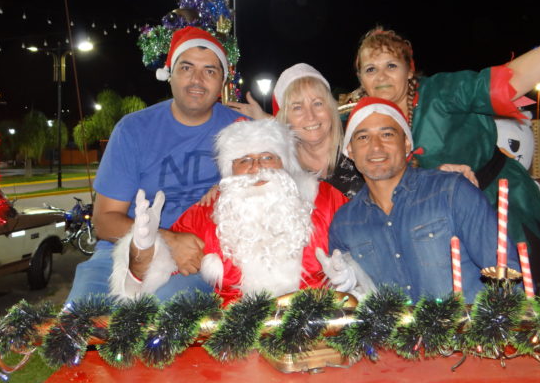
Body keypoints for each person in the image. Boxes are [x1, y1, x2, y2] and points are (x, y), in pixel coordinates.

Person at [348, 0, 540, 292]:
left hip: (501, 208)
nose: (382, 77)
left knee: (513, 303)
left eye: (392, 66)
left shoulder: (444, 92)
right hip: (435, 230)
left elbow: (508, 81)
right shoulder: (367, 123)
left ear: (409, 71)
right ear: (361, 78)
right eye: (371, 69)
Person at [65, 26, 245, 305]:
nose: (197, 79)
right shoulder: (133, 130)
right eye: (186, 68)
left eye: (210, 71)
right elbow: (105, 221)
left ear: (222, 80)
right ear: (169, 74)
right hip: (123, 249)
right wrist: (169, 241)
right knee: (80, 319)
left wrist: (271, 125)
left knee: (164, 319)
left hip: (201, 256)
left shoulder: (241, 129)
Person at [109, 119, 348, 305]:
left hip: (321, 324)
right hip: (236, 337)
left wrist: (351, 276)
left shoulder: (324, 199)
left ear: (284, 163)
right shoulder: (206, 214)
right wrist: (143, 248)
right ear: (230, 170)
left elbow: (363, 246)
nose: (256, 168)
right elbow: (146, 284)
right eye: (244, 160)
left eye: (267, 157)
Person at [326, 97, 520, 303]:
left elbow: (506, 274)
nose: (376, 146)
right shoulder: (344, 224)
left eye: (387, 134)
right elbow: (354, 300)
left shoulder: (451, 192)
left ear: (407, 143)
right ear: (350, 151)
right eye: (363, 137)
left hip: (467, 333)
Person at [227, 63, 476, 198]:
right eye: (297, 107)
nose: (311, 116)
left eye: (318, 103)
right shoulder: (281, 168)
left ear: (331, 108)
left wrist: (440, 177)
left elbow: (403, 174)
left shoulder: (359, 144)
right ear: (284, 117)